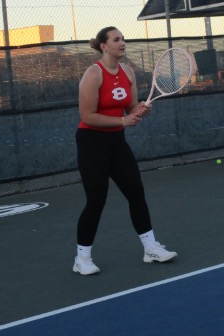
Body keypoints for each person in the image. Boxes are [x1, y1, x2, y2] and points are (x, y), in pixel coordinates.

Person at [73, 26, 178, 275]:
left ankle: (150, 249)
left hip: (116, 142)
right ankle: (82, 259)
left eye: (123, 39)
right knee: (96, 200)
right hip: (91, 143)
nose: (122, 43)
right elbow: (87, 115)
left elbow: (131, 108)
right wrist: (123, 120)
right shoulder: (93, 74)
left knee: (136, 193)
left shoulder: (128, 72)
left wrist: (141, 110)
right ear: (103, 46)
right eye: (116, 39)